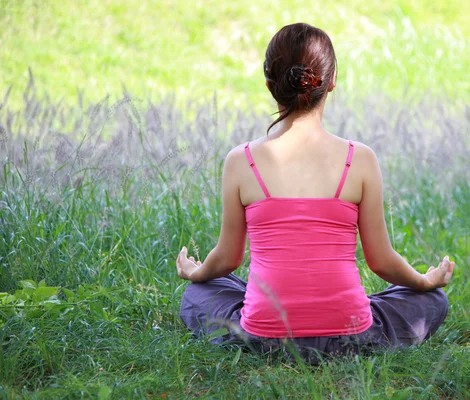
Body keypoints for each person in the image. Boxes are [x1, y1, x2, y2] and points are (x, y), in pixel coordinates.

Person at [177, 22, 454, 359]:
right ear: (332, 82)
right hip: (351, 340)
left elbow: (227, 259)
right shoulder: (360, 159)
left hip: (264, 340)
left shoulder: (241, 161)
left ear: (269, 86)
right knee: (432, 300)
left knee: (200, 292)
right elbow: (381, 261)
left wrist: (196, 272)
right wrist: (425, 282)